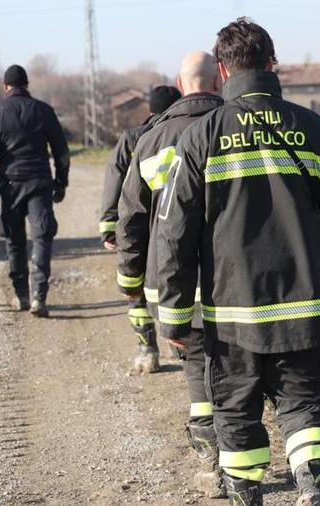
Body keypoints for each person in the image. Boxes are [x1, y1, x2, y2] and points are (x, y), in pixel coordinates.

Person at [155, 18, 320, 506]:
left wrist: (172, 314)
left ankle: (245, 493)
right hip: (306, 308)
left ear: (223, 73)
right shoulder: (315, 129)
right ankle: (313, 484)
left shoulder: (201, 137)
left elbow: (173, 233)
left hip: (232, 318)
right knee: (305, 404)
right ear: (273, 65)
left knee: (235, 409)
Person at [116, 51, 224, 496]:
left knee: (196, 367)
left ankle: (211, 463)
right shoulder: (234, 126)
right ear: (218, 80)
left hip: (175, 280)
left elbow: (133, 217)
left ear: (180, 85)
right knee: (239, 368)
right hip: (235, 279)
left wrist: (131, 277)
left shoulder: (151, 139)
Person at [0, 64, 70, 316]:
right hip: (39, 183)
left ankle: (22, 296)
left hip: (9, 186)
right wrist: (61, 182)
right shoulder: (44, 111)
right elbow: (61, 152)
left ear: (6, 86)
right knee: (42, 236)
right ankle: (39, 295)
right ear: (26, 84)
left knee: (14, 241)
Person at [100, 86, 180, 375]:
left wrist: (109, 226)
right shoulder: (185, 133)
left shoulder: (133, 139)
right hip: (174, 227)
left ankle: (147, 349)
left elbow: (114, 182)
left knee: (136, 291)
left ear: (150, 110)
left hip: (138, 227)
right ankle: (179, 341)